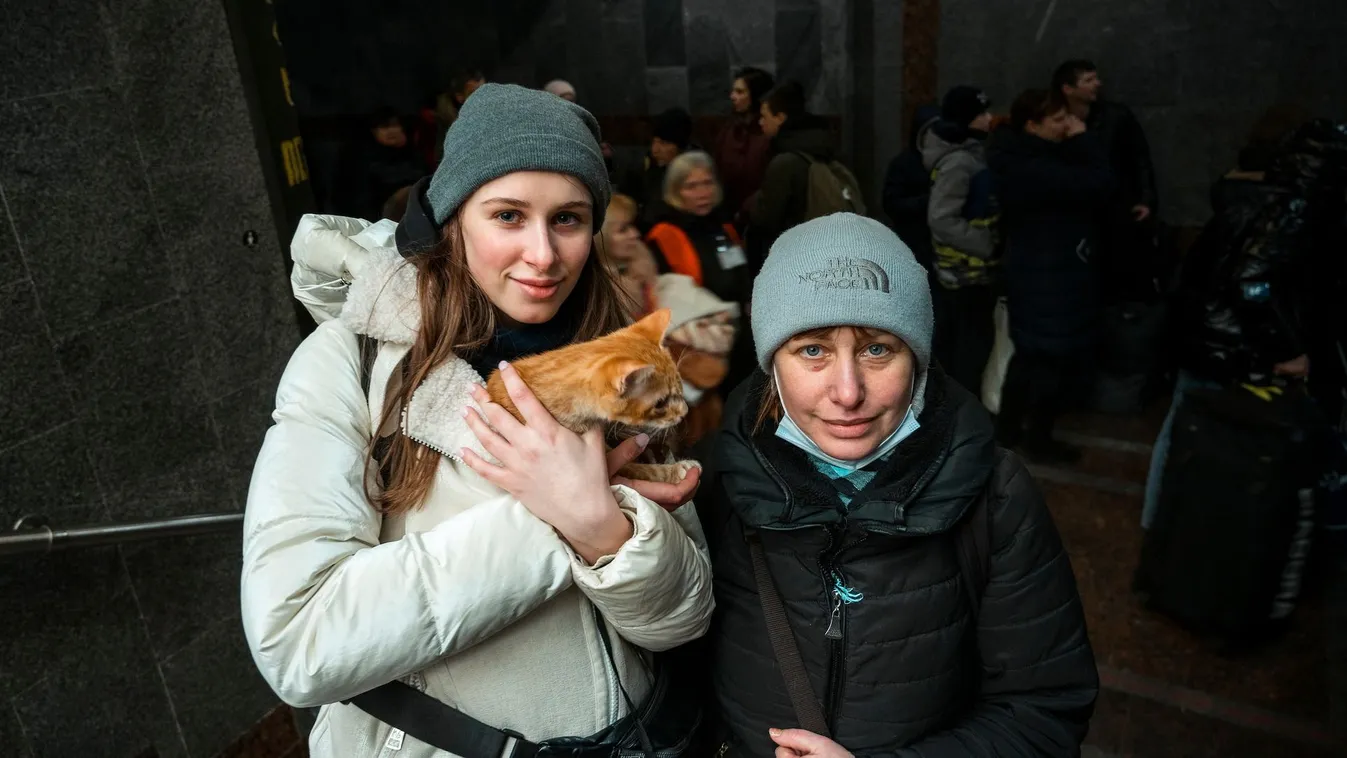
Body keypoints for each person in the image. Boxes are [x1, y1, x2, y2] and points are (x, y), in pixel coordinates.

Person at [243, 83, 715, 757]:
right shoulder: (349, 365)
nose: (543, 255)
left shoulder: (612, 356)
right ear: (452, 216)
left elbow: (682, 621)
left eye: (568, 220)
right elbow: (299, 643)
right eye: (507, 216)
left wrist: (610, 538)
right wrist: (554, 517)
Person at [696, 213, 1097, 757]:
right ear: (772, 365)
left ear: (919, 361)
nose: (847, 392)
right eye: (812, 350)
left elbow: (1044, 710)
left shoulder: (996, 496)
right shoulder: (710, 483)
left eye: (877, 349)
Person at [1142, 115, 1347, 528]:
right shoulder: (1293, 209)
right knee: (1226, 443)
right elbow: (1251, 283)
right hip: (1232, 344)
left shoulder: (1246, 198)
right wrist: (1285, 347)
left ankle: (1160, 528)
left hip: (1202, 333)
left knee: (1182, 429)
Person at [988, 89, 1115, 463]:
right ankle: (1038, 438)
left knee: (1031, 357)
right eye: (1058, 119)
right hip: (1046, 277)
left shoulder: (1025, 156)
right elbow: (1101, 183)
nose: (1069, 124)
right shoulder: (1030, 165)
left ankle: (1009, 430)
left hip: (1045, 272)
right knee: (1048, 359)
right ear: (1033, 125)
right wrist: (1084, 140)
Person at [1053, 59, 1158, 302]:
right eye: (1088, 80)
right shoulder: (1054, 120)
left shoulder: (1116, 116)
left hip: (1115, 206)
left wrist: (1146, 199)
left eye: (1096, 78)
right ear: (1068, 88)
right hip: (1073, 210)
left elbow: (1139, 159)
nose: (1097, 84)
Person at [921, 85, 1001, 395]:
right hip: (965, 270)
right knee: (969, 344)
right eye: (981, 113)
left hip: (968, 269)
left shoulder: (970, 152)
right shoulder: (958, 162)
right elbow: (941, 218)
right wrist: (986, 244)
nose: (989, 118)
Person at [749, 81, 861, 271]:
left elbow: (767, 219)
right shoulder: (826, 148)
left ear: (780, 118)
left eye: (763, 116)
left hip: (795, 260)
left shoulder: (785, 162)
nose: (760, 122)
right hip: (832, 254)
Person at [645, 151, 751, 307]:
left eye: (708, 183)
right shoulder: (663, 235)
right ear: (675, 192)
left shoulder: (724, 227)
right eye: (691, 186)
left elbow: (739, 273)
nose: (703, 194)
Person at [712, 67, 776, 227]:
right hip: (728, 215)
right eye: (733, 91)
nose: (733, 97)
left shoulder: (768, 134)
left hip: (759, 219)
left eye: (740, 92)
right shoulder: (729, 129)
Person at [881, 103, 941, 271]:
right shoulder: (904, 164)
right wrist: (928, 202)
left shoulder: (951, 162)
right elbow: (892, 203)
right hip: (914, 245)